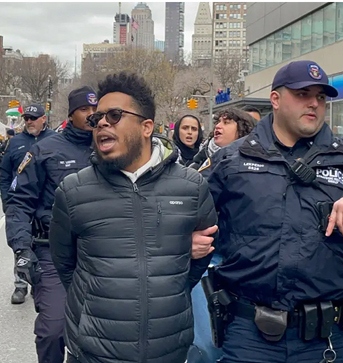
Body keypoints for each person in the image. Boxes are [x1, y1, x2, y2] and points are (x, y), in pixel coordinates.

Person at [203, 60, 343, 362]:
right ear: (276, 100)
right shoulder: (234, 159)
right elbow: (190, 212)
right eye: (302, 94)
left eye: (320, 97)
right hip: (248, 336)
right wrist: (192, 239)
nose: (313, 103)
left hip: (323, 340)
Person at [48, 72, 218, 363]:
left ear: (146, 127)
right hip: (94, 353)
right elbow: (66, 264)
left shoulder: (191, 186)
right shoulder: (73, 191)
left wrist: (166, 288)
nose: (101, 122)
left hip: (169, 349)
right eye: (96, 118)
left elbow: (199, 259)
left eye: (114, 115)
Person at [5, 86, 98, 363]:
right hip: (52, 252)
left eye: (96, 110)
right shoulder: (44, 150)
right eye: (85, 110)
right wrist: (22, 249)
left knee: (94, 334)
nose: (92, 115)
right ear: (71, 114)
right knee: (53, 330)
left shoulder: (111, 147)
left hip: (100, 252)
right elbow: (19, 202)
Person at [187, 107, 256, 363]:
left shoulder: (247, 166)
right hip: (207, 260)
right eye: (218, 121)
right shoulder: (208, 158)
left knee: (218, 343)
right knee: (203, 342)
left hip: (232, 263)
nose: (219, 125)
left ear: (243, 130)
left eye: (227, 122)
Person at [0, 103, 56, 305]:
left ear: (44, 119)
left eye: (34, 118)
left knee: (42, 244)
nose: (30, 122)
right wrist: (7, 199)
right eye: (27, 118)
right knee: (21, 243)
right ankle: (20, 284)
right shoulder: (15, 143)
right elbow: (5, 173)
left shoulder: (54, 140)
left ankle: (39, 281)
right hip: (21, 201)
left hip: (44, 204)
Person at [189, 108, 256, 172]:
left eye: (226, 122)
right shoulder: (197, 165)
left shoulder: (253, 165)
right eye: (217, 122)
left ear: (242, 128)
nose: (217, 126)